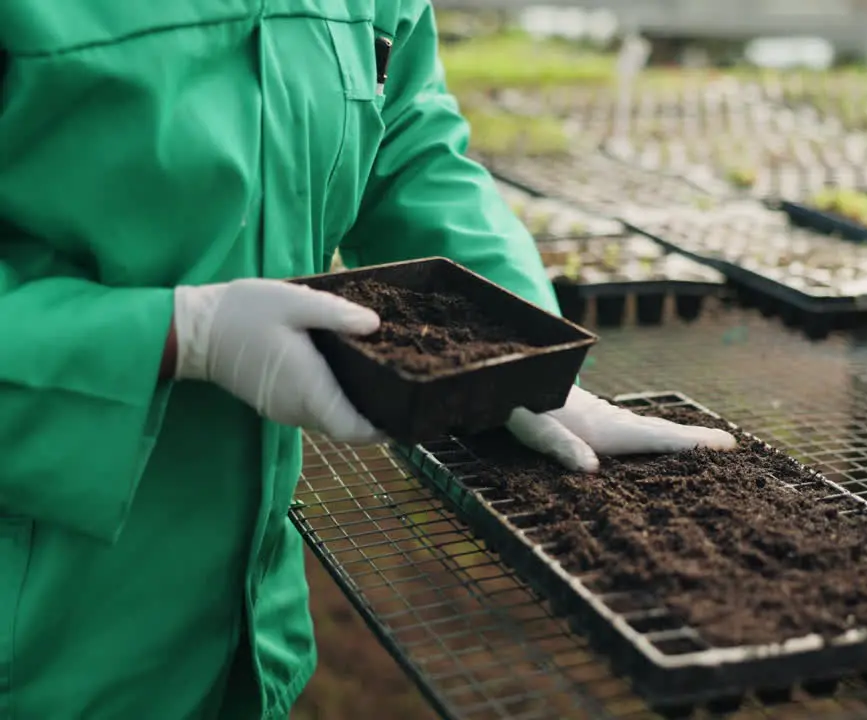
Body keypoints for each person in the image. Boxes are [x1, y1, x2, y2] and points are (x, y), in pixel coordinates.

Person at [0, 2, 736, 717]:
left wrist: (528, 355)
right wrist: (175, 335)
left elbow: (408, 147)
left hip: (239, 618)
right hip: (40, 635)